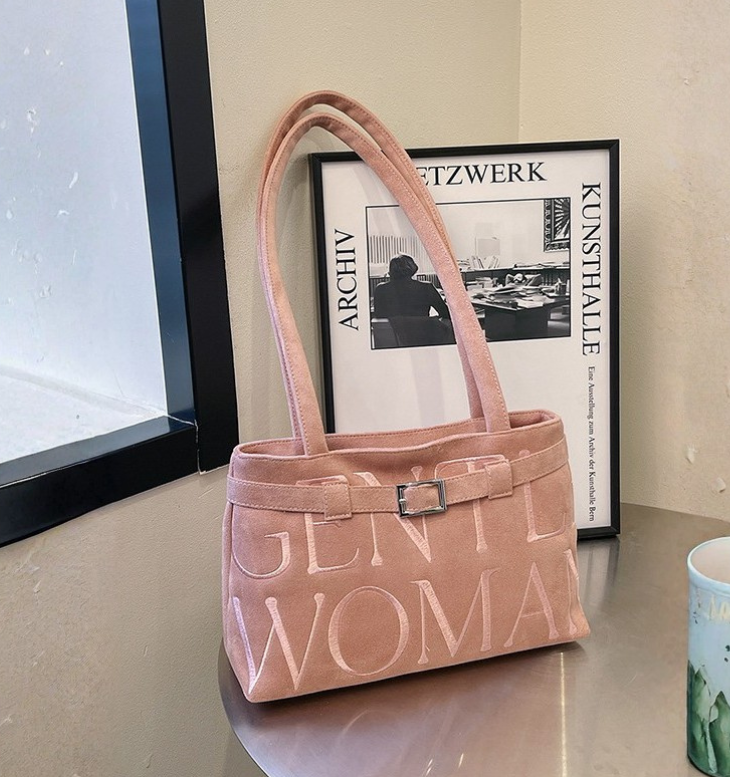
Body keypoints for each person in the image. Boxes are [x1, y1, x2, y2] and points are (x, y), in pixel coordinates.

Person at [373, 254, 450, 319]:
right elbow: (446, 313)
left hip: (391, 332)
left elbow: (379, 316)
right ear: (413, 269)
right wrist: (432, 320)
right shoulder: (426, 287)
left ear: (391, 271)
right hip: (422, 331)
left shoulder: (380, 289)